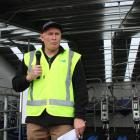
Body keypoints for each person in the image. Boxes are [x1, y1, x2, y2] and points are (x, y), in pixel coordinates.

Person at [12, 21, 88, 140]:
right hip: (35, 121)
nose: (54, 37)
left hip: (63, 120)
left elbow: (81, 89)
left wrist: (79, 117)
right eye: (50, 34)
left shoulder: (72, 58)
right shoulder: (29, 57)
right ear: (42, 37)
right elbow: (16, 85)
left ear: (60, 37)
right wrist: (29, 77)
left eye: (57, 34)